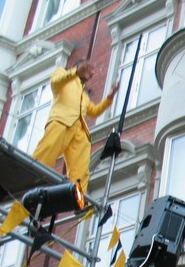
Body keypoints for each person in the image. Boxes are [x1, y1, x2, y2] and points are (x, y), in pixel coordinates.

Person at [31, 58, 119, 192]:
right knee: (44, 157)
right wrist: (76, 72)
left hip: (79, 132)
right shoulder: (62, 74)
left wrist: (109, 98)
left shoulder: (84, 95)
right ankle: (28, 180)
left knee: (81, 171)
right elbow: (55, 82)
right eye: (89, 70)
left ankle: (80, 201)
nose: (92, 74)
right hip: (61, 123)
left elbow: (94, 111)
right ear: (78, 66)